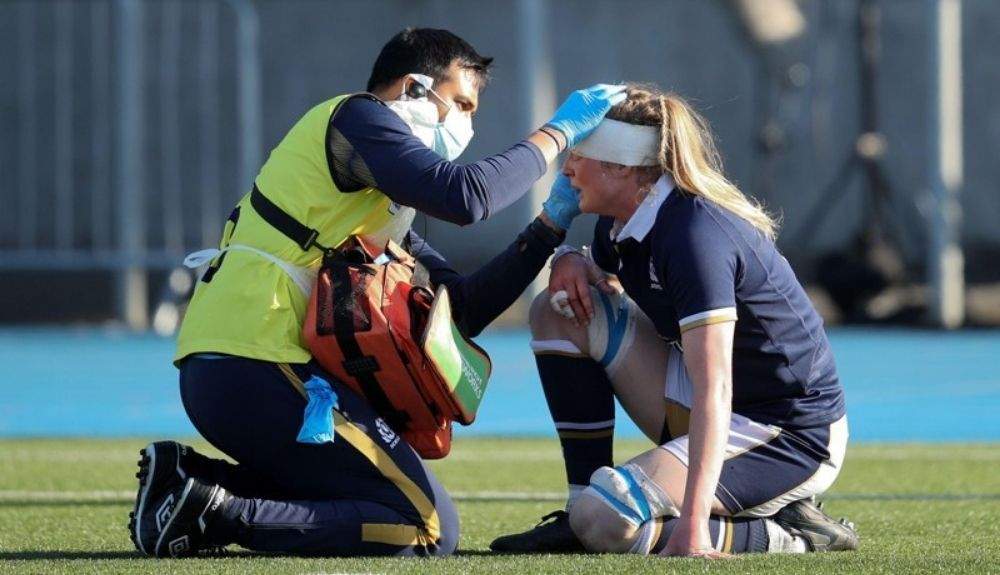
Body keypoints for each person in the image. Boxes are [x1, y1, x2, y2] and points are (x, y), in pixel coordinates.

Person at [127, 27, 623, 558]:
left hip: (244, 369)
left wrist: (550, 225)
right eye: (459, 103)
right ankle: (220, 515)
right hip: (257, 363)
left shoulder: (382, 202)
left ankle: (190, 484)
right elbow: (466, 197)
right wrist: (559, 132)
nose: (467, 124)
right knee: (426, 528)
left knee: (405, 511)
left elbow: (463, 311)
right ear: (412, 87)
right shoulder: (356, 117)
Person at [490, 85, 859, 557]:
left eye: (579, 154)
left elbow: (715, 387)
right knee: (556, 310)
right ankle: (578, 502)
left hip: (788, 434)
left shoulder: (694, 235)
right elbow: (608, 277)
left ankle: (791, 536)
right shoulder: (622, 220)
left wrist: (692, 524)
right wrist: (569, 259)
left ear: (621, 166)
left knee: (605, 519)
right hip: (721, 409)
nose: (567, 169)